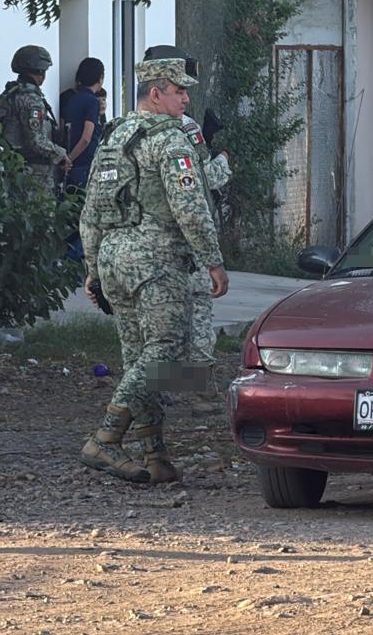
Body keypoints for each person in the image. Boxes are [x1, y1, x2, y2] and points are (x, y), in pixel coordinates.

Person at [78, 55, 229, 485]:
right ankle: (105, 438)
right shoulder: (171, 141)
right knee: (165, 349)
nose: (186, 98)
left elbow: (90, 212)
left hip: (114, 258)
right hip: (156, 261)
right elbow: (191, 209)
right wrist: (213, 261)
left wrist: (93, 269)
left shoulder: (114, 137)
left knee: (138, 357)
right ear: (156, 93)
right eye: (179, 90)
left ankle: (155, 455)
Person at [142, 45, 233, 367]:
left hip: (143, 247)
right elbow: (205, 180)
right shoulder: (184, 128)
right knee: (196, 316)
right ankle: (195, 390)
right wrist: (223, 161)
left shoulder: (127, 130)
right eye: (180, 88)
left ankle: (155, 390)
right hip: (184, 243)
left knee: (156, 327)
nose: (185, 97)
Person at [0, 45, 68, 190]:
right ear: (39, 70)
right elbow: (36, 141)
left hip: (14, 167)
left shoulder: (10, 94)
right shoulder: (31, 100)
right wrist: (61, 154)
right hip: (34, 173)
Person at [62, 58, 106, 261]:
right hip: (84, 164)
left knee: (73, 213)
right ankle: (73, 257)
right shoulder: (90, 101)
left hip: (73, 165)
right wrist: (69, 158)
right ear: (100, 78)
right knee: (89, 214)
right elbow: (87, 136)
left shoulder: (73, 99)